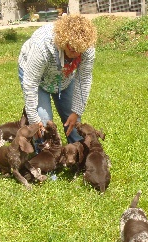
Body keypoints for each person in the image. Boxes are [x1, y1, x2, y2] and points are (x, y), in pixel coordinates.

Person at [18, 14, 97, 150]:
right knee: (43, 122)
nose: (75, 54)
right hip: (37, 78)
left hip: (64, 77)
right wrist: (33, 116)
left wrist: (76, 111)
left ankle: (78, 155)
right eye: (72, 49)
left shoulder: (87, 48)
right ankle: (45, 162)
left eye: (80, 51)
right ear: (63, 40)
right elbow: (30, 82)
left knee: (73, 120)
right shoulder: (42, 45)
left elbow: (83, 79)